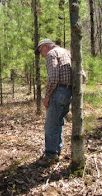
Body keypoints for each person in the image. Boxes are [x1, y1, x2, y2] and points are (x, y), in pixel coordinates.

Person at [36, 38, 72, 167]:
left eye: (41, 51)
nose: (42, 55)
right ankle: (57, 149)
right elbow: (81, 73)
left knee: (51, 125)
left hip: (58, 92)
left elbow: (53, 78)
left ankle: (50, 155)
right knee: (58, 122)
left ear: (45, 47)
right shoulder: (66, 52)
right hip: (69, 92)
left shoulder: (52, 54)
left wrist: (47, 97)